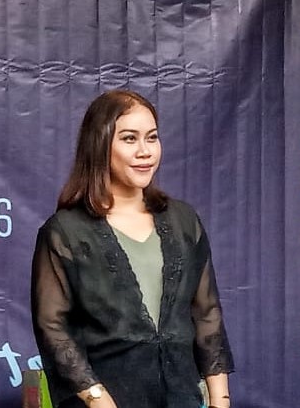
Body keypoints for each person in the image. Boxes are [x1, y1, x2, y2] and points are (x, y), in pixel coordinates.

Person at [30, 89, 234, 408]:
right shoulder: (65, 232)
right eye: (129, 139)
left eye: (152, 138)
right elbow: (53, 329)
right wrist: (98, 400)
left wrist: (221, 401)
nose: (145, 151)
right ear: (100, 145)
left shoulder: (183, 221)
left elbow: (207, 314)